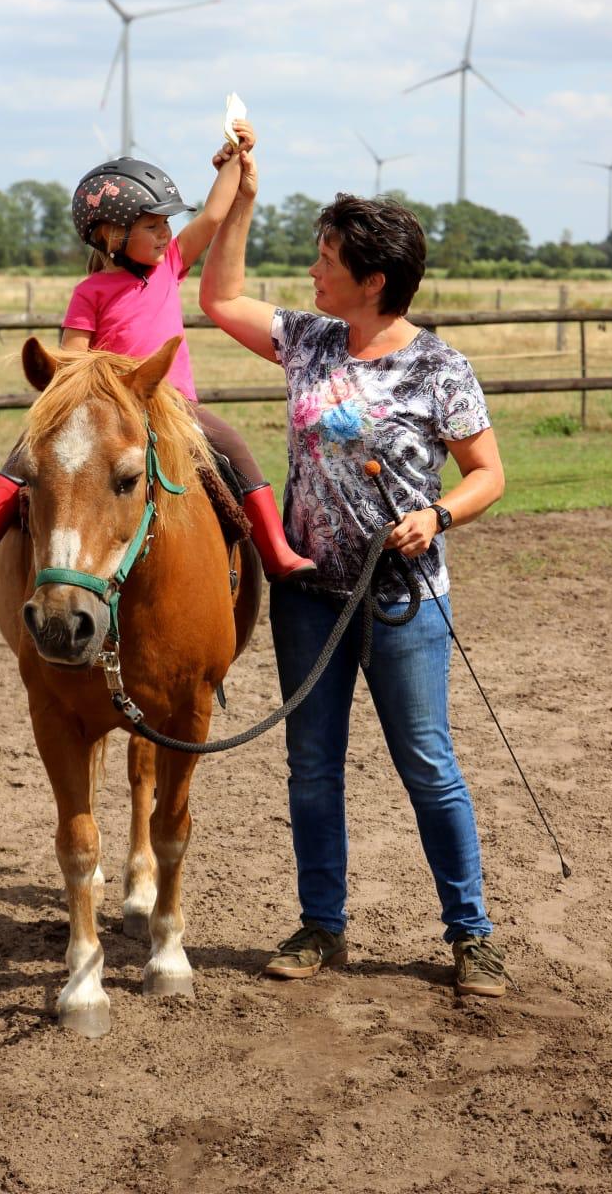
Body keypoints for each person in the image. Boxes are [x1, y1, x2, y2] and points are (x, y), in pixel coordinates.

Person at [199, 146, 510, 998]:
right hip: (310, 596)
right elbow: (218, 298)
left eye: (326, 260)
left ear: (373, 281)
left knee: (428, 765)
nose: (313, 272)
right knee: (311, 767)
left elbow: (488, 474)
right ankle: (321, 927)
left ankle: (471, 933)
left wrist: (438, 515)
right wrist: (241, 199)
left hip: (405, 601)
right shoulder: (308, 341)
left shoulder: (439, 368)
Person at [0, 124, 314, 582]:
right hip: (108, 409)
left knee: (234, 449)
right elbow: (72, 360)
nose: (165, 234)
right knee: (30, 447)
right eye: (152, 225)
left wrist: (234, 158)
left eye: (166, 224)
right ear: (112, 234)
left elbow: (212, 216)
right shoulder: (89, 292)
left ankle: (275, 552)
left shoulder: (171, 263)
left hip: (174, 405)